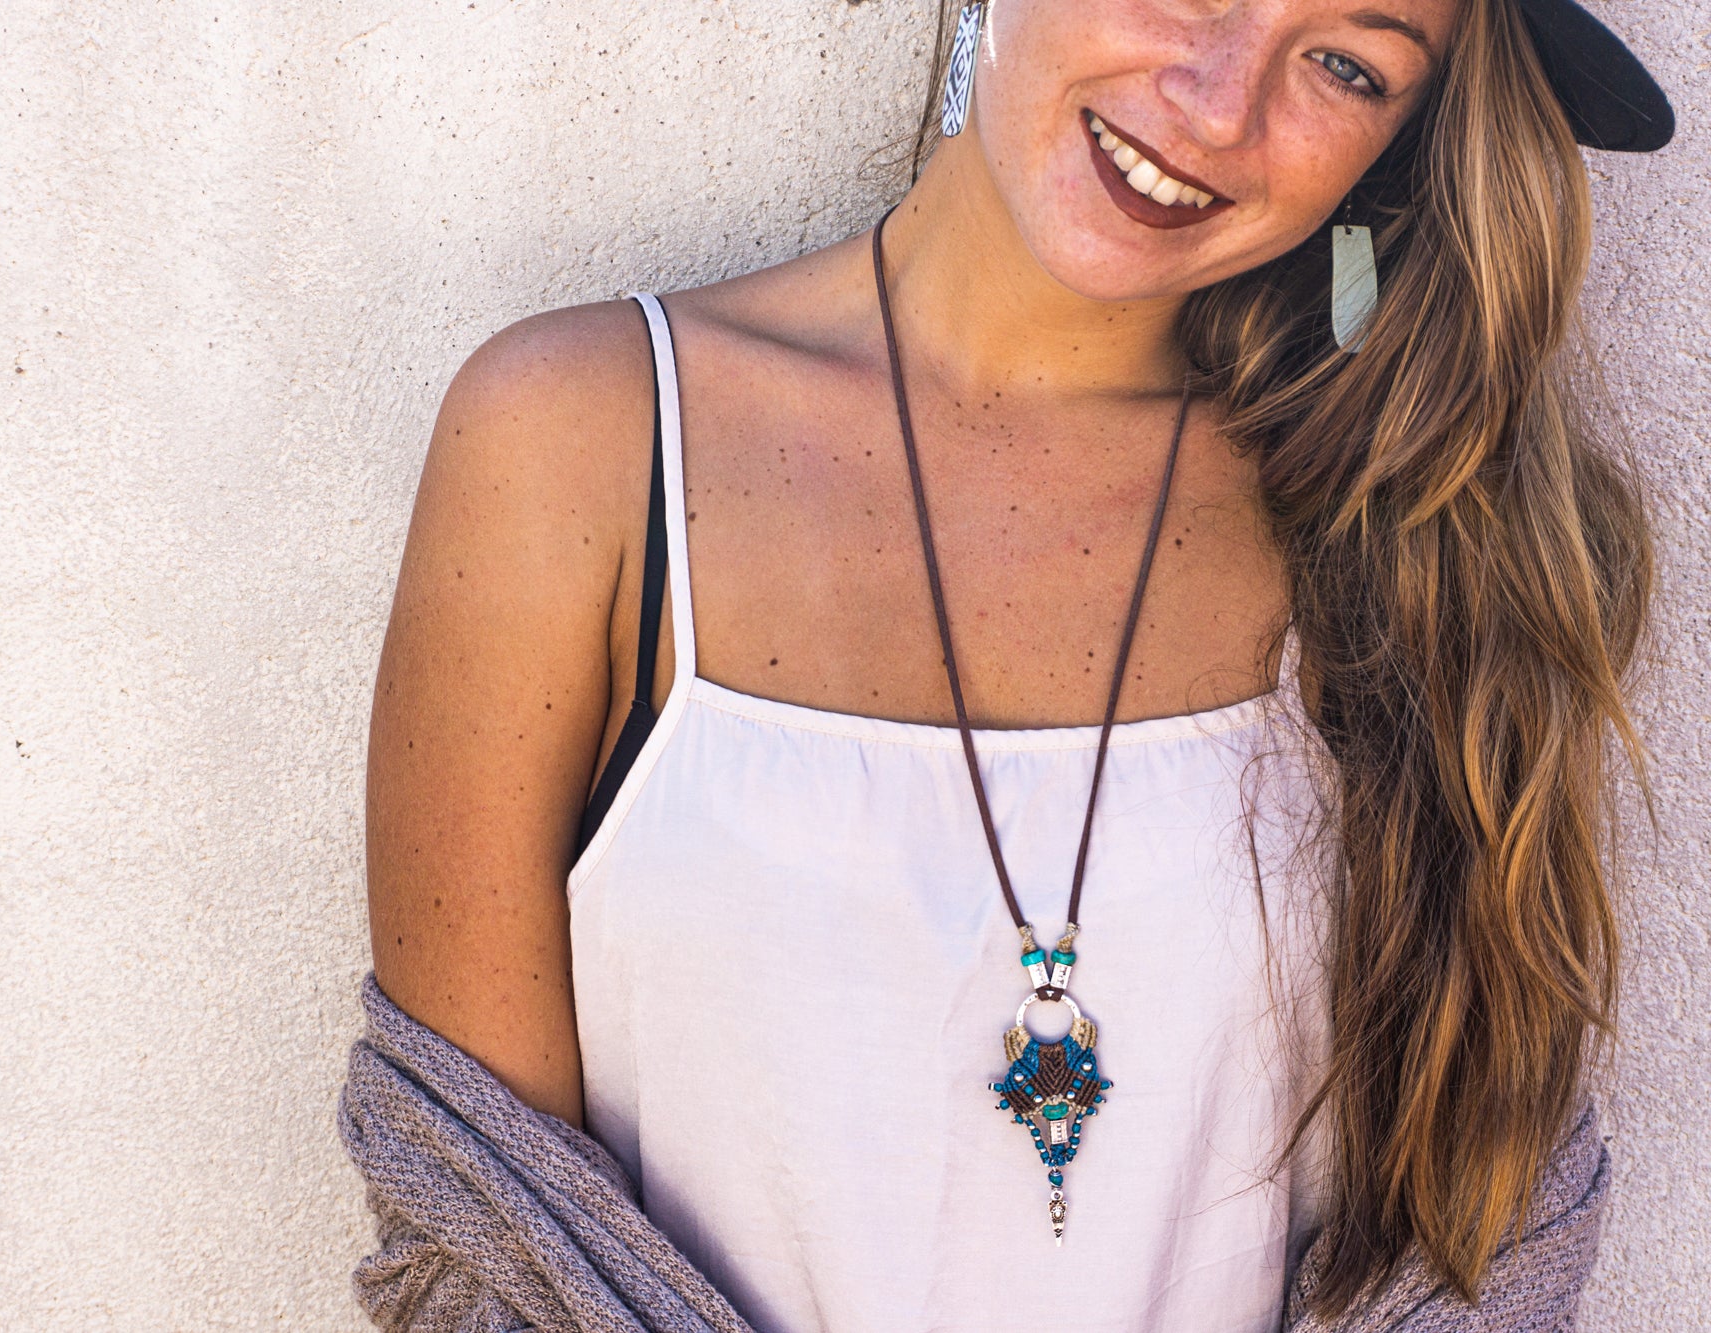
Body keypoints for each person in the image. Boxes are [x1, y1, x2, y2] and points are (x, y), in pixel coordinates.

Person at [354, 0, 1673, 1327]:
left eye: (1345, 66)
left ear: (1397, 146)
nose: (1220, 106)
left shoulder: (1427, 550)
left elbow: (1485, 1236)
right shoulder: (581, 443)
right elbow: (480, 1233)